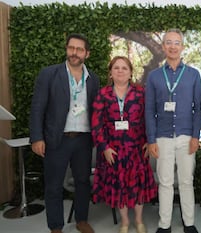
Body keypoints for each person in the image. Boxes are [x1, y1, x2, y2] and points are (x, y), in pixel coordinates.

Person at [29, 33, 100, 233]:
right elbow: (37, 108)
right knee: (53, 185)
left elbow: (96, 110)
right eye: (71, 48)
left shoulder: (93, 79)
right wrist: (36, 137)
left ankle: (81, 220)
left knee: (83, 182)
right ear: (67, 49)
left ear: (87, 53)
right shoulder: (49, 74)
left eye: (79, 49)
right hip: (57, 139)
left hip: (84, 140)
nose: (74, 53)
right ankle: (56, 226)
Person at [145, 28, 201, 233]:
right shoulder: (154, 76)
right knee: (165, 182)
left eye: (176, 42)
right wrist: (151, 140)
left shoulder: (193, 75)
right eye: (168, 42)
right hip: (162, 137)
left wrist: (196, 136)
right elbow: (149, 110)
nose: (172, 46)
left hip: (187, 136)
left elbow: (198, 109)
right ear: (163, 47)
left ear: (182, 47)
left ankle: (189, 223)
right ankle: (164, 225)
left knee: (187, 181)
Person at [91, 56, 158, 233]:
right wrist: (104, 147)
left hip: (137, 149)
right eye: (116, 68)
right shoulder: (102, 94)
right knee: (120, 188)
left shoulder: (140, 93)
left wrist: (149, 141)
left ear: (130, 73)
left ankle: (139, 220)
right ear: (111, 73)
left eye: (124, 68)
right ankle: (125, 222)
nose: (120, 71)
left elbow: (150, 118)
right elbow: (96, 125)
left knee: (137, 187)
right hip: (113, 151)